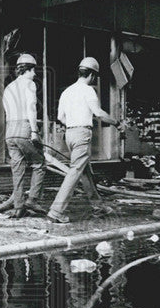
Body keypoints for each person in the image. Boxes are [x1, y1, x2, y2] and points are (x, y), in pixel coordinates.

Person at [47, 56, 122, 224]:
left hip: (70, 134)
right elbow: (99, 113)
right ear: (93, 76)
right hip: (82, 134)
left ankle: (98, 206)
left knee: (84, 171)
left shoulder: (67, 92)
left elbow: (60, 117)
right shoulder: (88, 90)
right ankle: (56, 211)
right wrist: (116, 123)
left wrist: (73, 124)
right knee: (75, 171)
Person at [2, 54, 47, 218]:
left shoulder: (8, 88)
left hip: (10, 130)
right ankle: (33, 200)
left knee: (18, 169)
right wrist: (34, 131)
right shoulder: (30, 84)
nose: (35, 74)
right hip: (24, 127)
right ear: (29, 69)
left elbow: (6, 112)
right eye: (34, 70)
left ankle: (18, 206)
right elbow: (31, 108)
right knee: (39, 163)